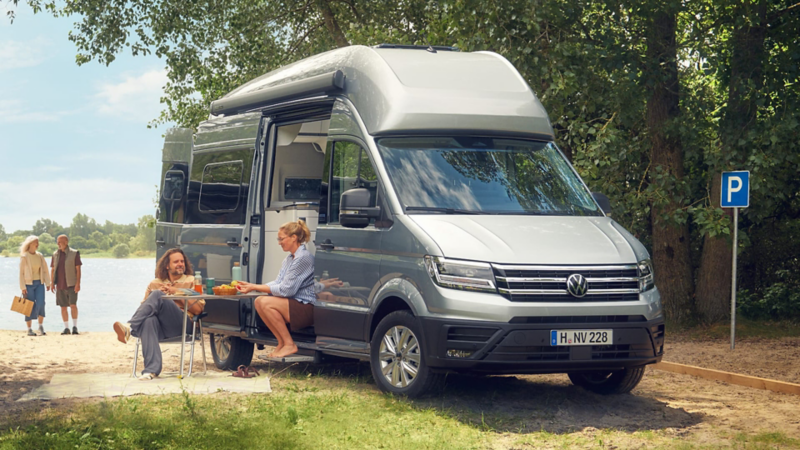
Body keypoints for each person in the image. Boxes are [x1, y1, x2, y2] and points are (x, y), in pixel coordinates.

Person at [112, 248, 201, 380]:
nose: (180, 264)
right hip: (159, 329)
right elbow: (144, 309)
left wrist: (175, 293)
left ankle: (130, 328)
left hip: (183, 325)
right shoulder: (155, 283)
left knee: (158, 295)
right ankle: (150, 371)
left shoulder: (192, 280)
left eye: (182, 261)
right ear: (167, 265)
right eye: (176, 262)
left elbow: (198, 310)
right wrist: (158, 295)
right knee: (148, 320)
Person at [235, 220, 317, 358]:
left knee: (265, 302)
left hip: (306, 306)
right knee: (259, 302)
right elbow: (278, 282)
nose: (279, 242)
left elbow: (286, 290)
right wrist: (252, 286)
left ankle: (290, 344)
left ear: (293, 237)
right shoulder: (289, 259)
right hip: (295, 304)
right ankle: (282, 343)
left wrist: (254, 287)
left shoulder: (303, 258)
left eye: (281, 239)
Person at [19, 236, 52, 336]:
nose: (38, 244)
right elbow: (21, 273)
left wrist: (48, 282)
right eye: (36, 242)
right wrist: (22, 287)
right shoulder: (24, 256)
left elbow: (45, 270)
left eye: (38, 242)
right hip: (28, 285)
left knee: (41, 303)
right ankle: (29, 329)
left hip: (39, 284)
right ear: (30, 244)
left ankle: (40, 326)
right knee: (28, 305)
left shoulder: (40, 256)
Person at [50, 235, 82, 335]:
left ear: (66, 242)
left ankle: (75, 327)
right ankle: (66, 328)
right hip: (60, 285)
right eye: (57, 242)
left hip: (72, 284)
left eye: (60, 242)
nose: (58, 244)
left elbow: (78, 270)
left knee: (73, 305)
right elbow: (53, 269)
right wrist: (52, 283)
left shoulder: (74, 253)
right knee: (63, 307)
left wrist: (78, 283)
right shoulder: (55, 254)